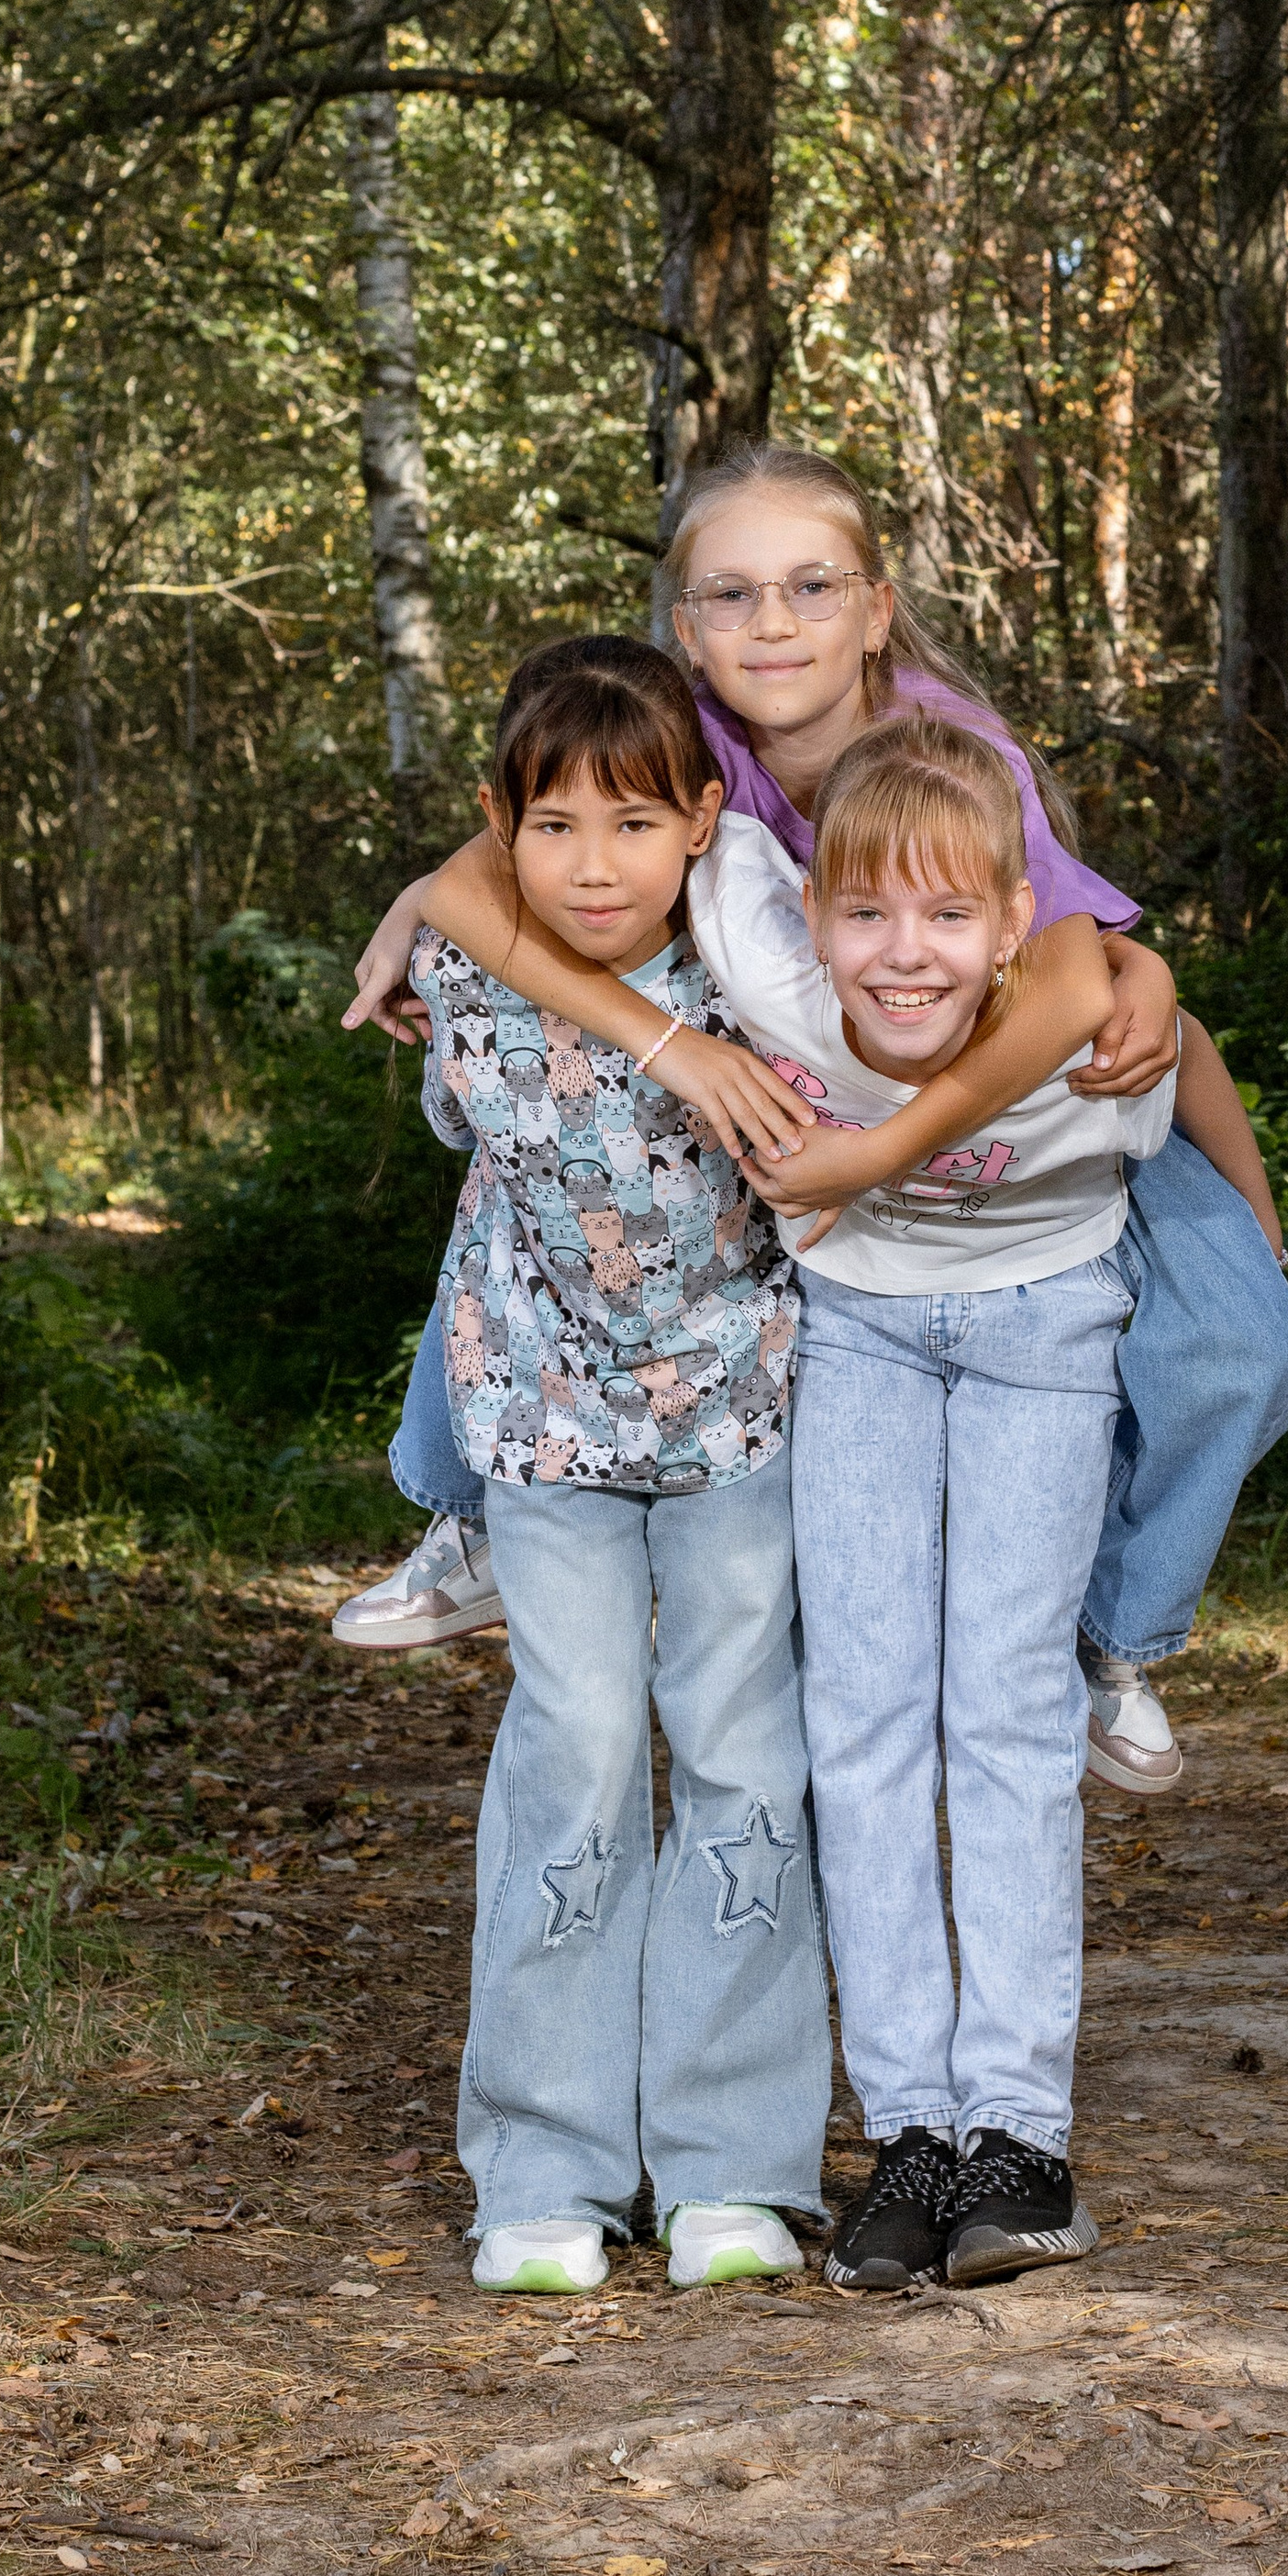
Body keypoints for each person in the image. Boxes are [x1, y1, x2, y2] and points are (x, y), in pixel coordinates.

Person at [342, 444, 1288, 1793]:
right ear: (686, 628)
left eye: (810, 587)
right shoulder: (694, 744)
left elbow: (1094, 987)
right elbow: (482, 867)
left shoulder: (946, 750)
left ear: (875, 605)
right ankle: (477, 1515)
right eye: (731, 596)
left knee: (1250, 1338)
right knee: (542, 1147)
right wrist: (604, 1006)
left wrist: (920, 1140)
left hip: (1029, 1109)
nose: (773, 623)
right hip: (816, 1104)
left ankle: (1108, 1631)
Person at [689, 713, 1221, 2287]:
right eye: (865, 912)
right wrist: (406, 915)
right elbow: (556, 832)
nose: (901, 955)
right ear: (812, 918)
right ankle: (911, 2130)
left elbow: (1171, 1061)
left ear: (1013, 931)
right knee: (859, 1715)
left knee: (1001, 1712)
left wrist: (1155, 983)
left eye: (946, 916)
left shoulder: (1085, 1032)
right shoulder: (769, 959)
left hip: (1045, 1342)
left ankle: (1019, 2139)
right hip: (854, 1333)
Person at [400, 633, 829, 2297]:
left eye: (635, 825)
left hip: (739, 1418)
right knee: (572, 1753)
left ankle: (731, 2164)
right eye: (555, 825)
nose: (595, 865)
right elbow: (463, 1062)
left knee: (739, 1755)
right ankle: (546, 2166)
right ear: (500, 827)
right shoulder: (463, 968)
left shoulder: (760, 976)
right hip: (543, 1424)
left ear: (705, 825)